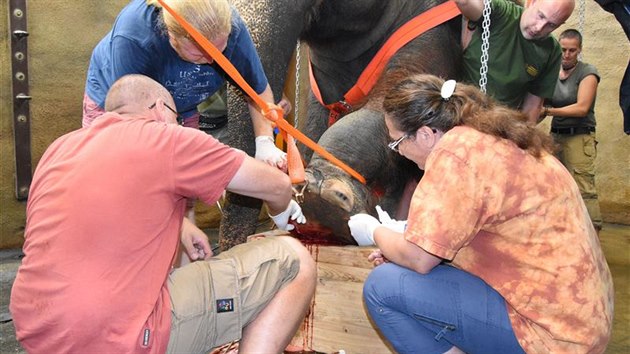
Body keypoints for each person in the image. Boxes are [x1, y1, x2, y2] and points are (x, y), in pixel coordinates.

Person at [10, 74, 316, 354]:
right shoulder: (167, 138)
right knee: (294, 260)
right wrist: (284, 217)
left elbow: (95, 211)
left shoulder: (60, 148)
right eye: (176, 116)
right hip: (114, 335)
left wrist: (181, 226)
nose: (179, 124)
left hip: (37, 331)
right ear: (159, 108)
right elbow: (276, 186)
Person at [347, 74, 614, 353]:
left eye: (397, 142)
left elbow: (419, 258)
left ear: (425, 134)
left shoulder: (454, 154)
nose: (399, 152)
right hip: (580, 319)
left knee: (384, 287)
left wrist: (374, 231)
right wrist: (400, 245)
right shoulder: (488, 136)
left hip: (549, 335)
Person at [83, 0, 287, 170]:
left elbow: (257, 91)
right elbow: (135, 126)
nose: (211, 62)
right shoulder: (134, 37)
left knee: (185, 179)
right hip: (124, 110)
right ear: (172, 37)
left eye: (220, 51)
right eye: (199, 54)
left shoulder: (231, 27)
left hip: (183, 105)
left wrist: (265, 142)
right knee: (120, 171)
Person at [455, 0, 575, 124]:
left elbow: (533, 106)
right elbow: (464, 2)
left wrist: (524, 139)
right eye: (540, 16)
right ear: (531, 2)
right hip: (461, 114)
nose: (539, 28)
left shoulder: (552, 51)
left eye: (551, 25)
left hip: (501, 124)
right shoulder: (502, 13)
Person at [540, 28, 603, 231]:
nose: (566, 55)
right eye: (563, 49)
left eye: (572, 50)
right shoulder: (552, 72)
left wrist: (548, 111)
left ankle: (594, 236)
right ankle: (563, 231)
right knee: (555, 186)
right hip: (556, 135)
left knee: (584, 189)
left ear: (579, 50)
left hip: (579, 136)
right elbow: (539, 100)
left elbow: (582, 107)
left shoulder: (587, 72)